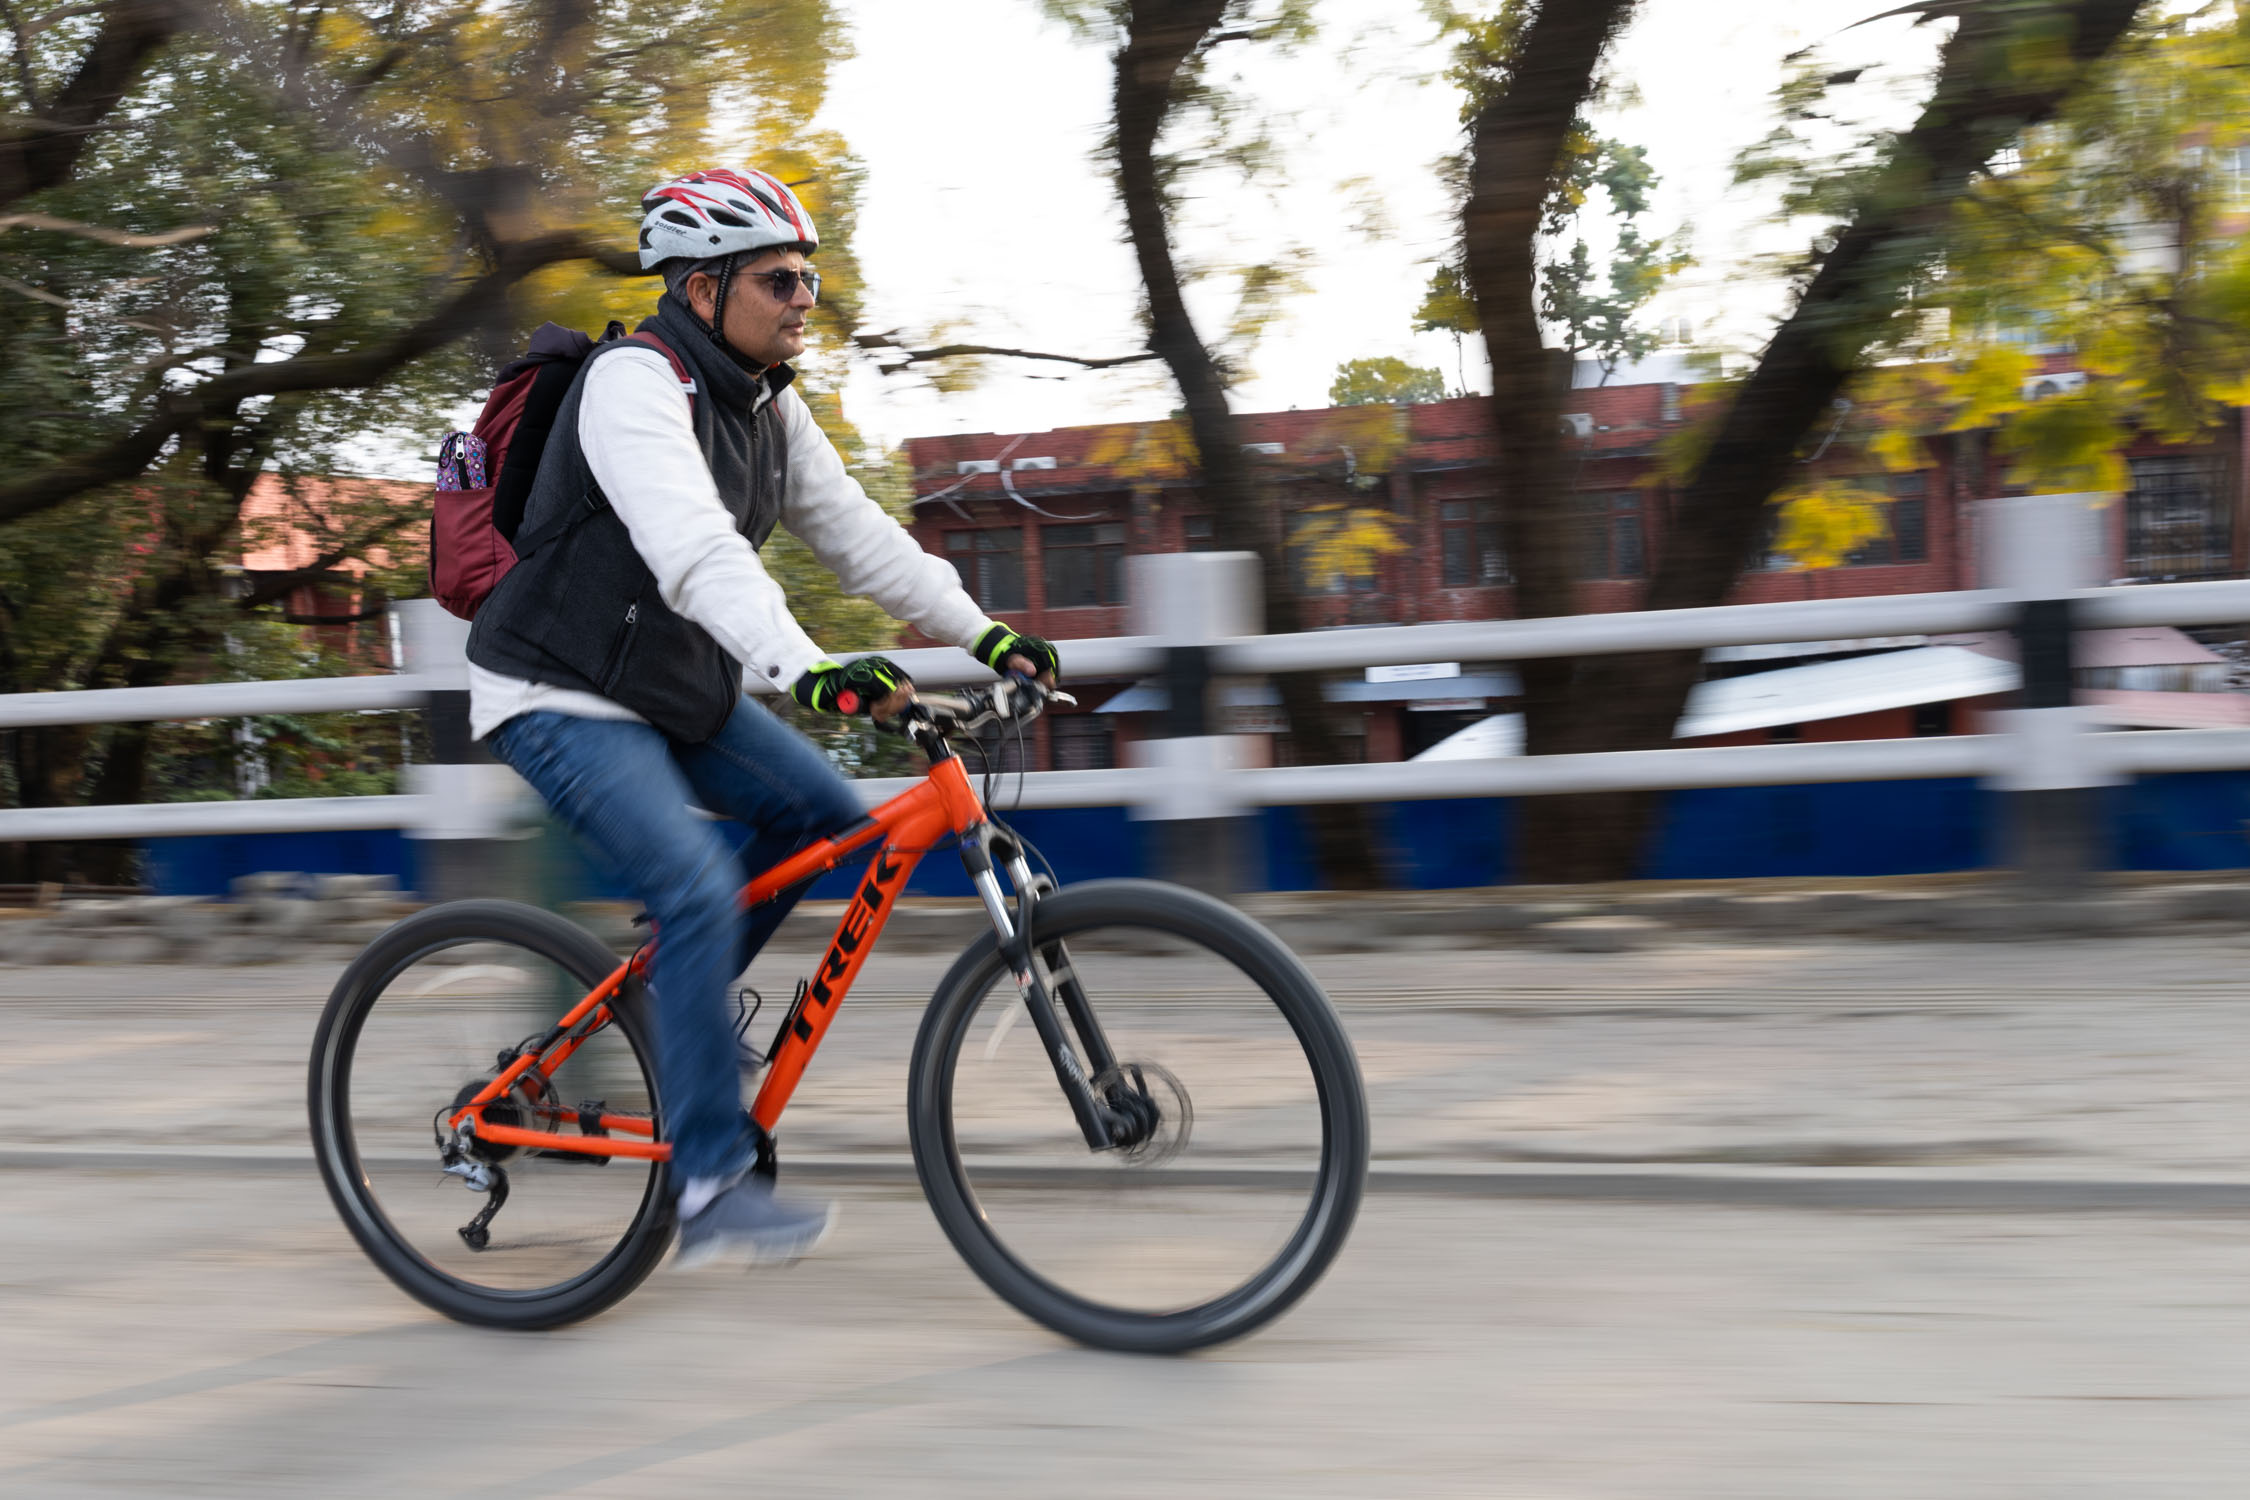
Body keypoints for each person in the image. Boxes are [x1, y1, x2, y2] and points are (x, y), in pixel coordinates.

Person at [466, 167, 1059, 1268]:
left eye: (811, 277)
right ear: (702, 291)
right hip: (554, 690)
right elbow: (696, 553)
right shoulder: (631, 386)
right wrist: (810, 669)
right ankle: (705, 1184)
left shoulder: (766, 406)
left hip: (670, 690)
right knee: (693, 884)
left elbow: (861, 536)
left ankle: (664, 1015)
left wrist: (984, 635)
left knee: (826, 818)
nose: (805, 297)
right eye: (781, 278)